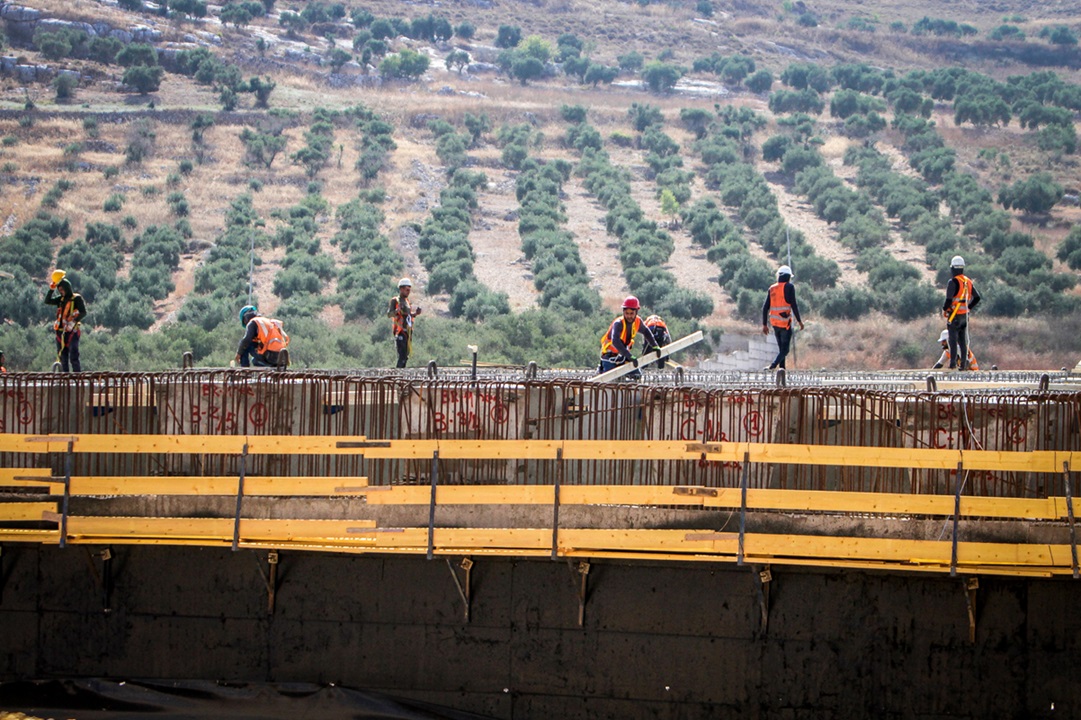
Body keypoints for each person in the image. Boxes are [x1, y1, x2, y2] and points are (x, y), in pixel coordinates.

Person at [598, 296, 658, 376]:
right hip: (609, 357)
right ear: (623, 312)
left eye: (632, 314)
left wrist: (655, 345)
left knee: (637, 376)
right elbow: (615, 341)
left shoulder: (637, 321)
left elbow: (646, 332)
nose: (629, 316)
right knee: (609, 380)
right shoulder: (618, 323)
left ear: (636, 312)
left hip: (623, 356)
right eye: (627, 313)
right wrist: (629, 356)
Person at [942, 255, 981, 371]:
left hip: (954, 316)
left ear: (953, 268)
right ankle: (963, 364)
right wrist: (968, 308)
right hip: (964, 316)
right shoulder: (967, 282)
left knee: (953, 340)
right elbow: (977, 297)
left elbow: (949, 299)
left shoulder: (953, 282)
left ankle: (953, 363)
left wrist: (945, 309)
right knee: (963, 341)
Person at [761, 265, 803, 371]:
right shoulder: (789, 287)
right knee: (785, 350)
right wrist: (799, 321)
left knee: (781, 349)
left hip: (775, 323)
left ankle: (782, 370)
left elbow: (765, 308)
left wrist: (764, 325)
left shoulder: (772, 288)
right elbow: (794, 305)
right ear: (789, 276)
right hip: (785, 323)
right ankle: (773, 365)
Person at [44, 270, 87, 372]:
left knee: (73, 355)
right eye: (60, 290)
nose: (61, 292)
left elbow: (83, 312)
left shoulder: (76, 299)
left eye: (62, 290)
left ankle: (77, 377)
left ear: (67, 288)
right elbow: (47, 301)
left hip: (72, 330)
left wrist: (74, 321)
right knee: (63, 356)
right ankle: (65, 378)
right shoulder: (61, 299)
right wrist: (51, 290)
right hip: (61, 331)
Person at [388, 277, 422, 369]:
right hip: (400, 331)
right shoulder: (395, 301)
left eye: (409, 290)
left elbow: (408, 316)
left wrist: (415, 314)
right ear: (401, 289)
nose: (408, 292)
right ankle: (398, 376)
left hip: (408, 332)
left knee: (405, 356)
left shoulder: (407, 302)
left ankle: (401, 375)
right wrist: (397, 310)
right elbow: (389, 314)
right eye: (407, 290)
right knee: (402, 355)